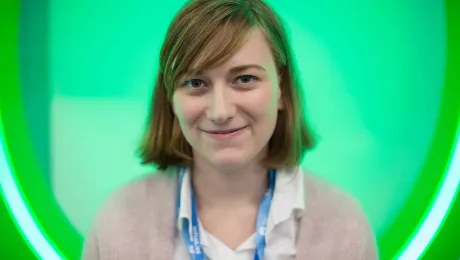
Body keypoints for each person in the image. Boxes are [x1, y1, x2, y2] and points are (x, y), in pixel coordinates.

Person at [81, 0, 379, 259]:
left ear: (283, 90)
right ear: (170, 99)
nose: (220, 112)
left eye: (244, 79)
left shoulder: (345, 224)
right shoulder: (118, 221)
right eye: (196, 83)